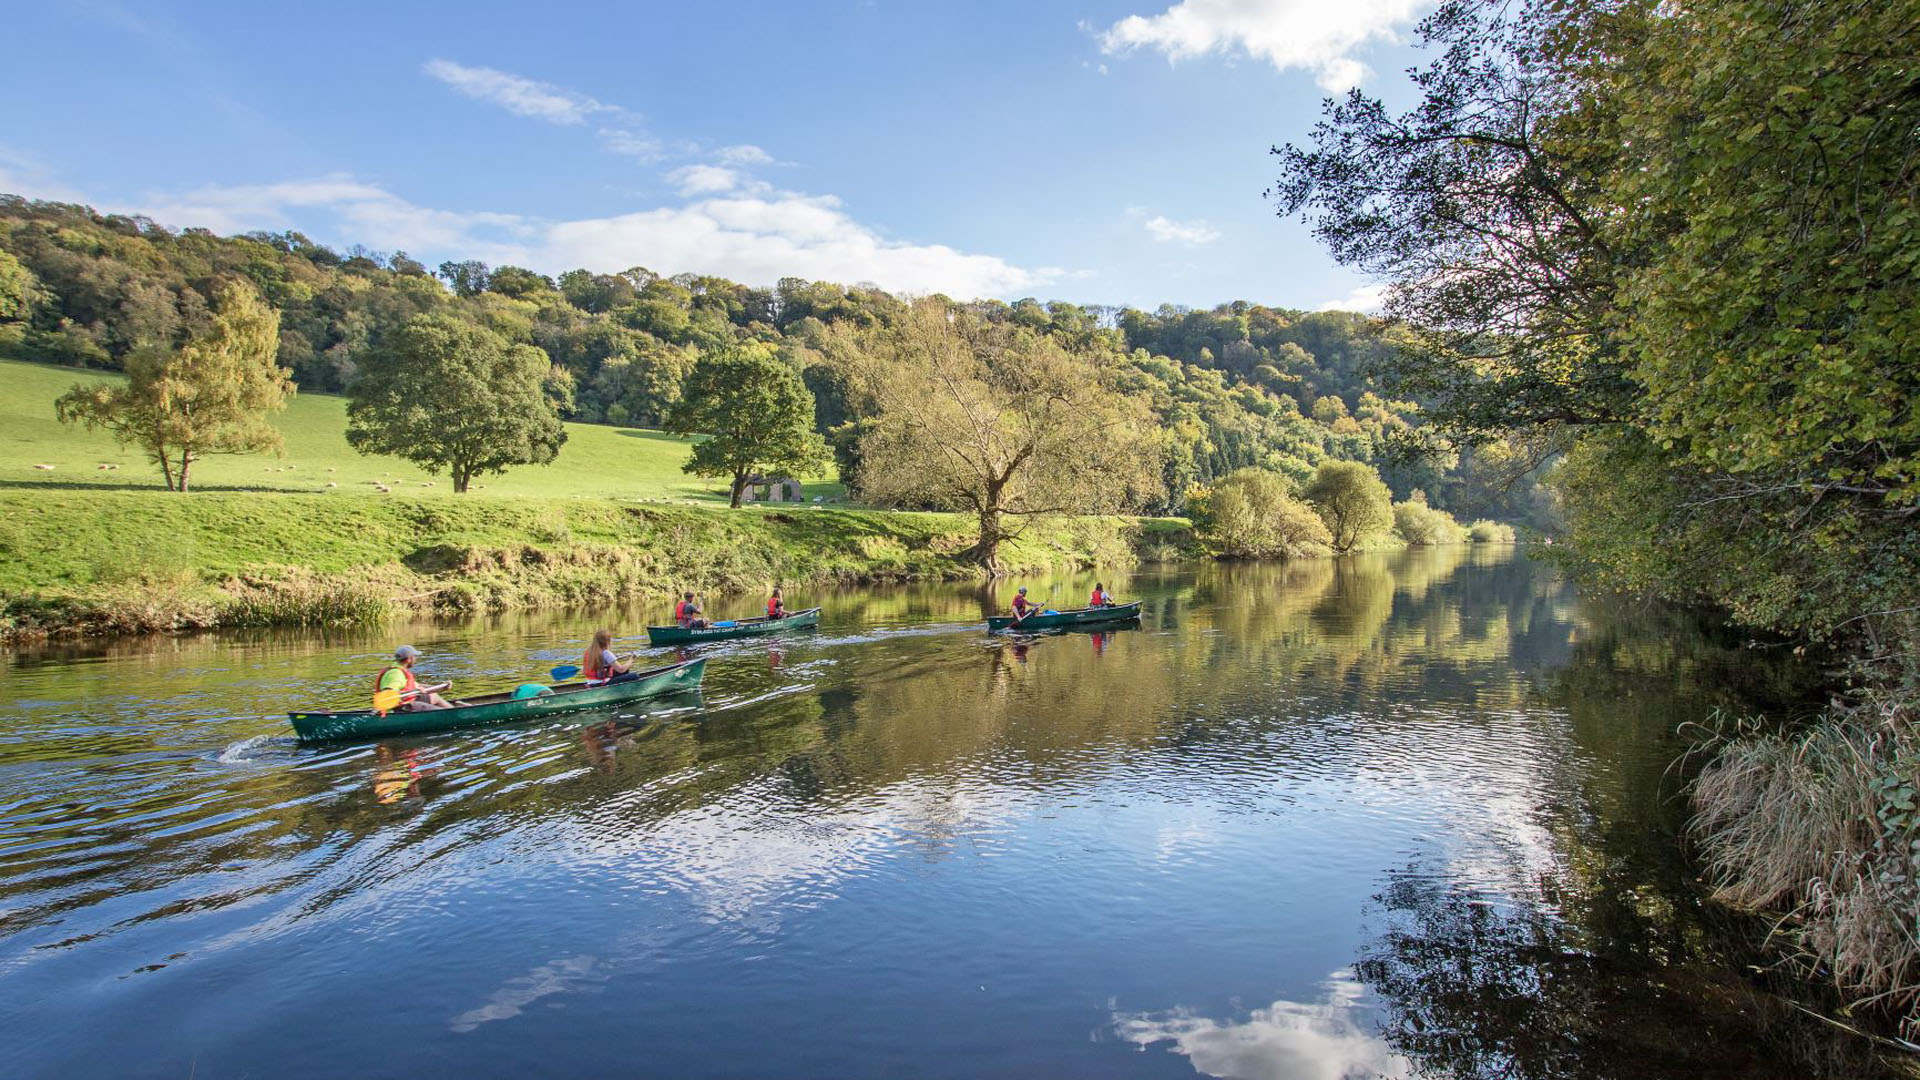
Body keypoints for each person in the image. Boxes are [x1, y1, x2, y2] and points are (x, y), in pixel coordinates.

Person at [376, 645, 453, 711]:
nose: (416, 659)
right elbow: (388, 695)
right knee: (440, 712)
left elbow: (420, 687)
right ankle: (452, 715)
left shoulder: (401, 670)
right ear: (409, 659)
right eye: (414, 657)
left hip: (408, 701)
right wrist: (414, 691)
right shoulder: (396, 674)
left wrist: (442, 687)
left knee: (434, 696)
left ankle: (453, 711)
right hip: (402, 707)